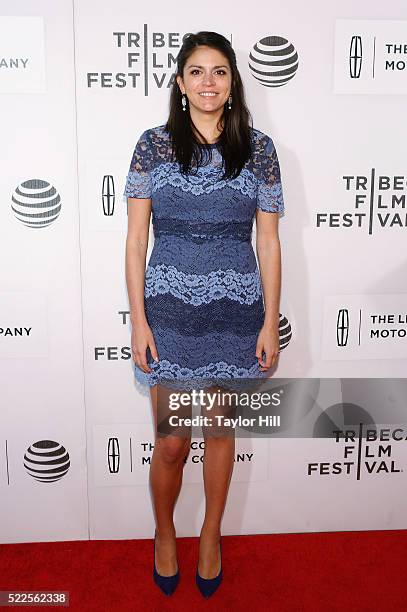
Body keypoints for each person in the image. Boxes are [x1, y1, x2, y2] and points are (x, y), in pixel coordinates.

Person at [123, 31, 285, 598]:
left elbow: (268, 241)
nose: (209, 82)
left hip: (235, 311)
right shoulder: (152, 145)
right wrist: (138, 321)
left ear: (233, 81)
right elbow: (136, 238)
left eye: (219, 71)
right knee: (171, 441)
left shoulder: (259, 149)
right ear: (180, 81)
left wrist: (270, 321)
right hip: (166, 310)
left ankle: (211, 534)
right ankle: (165, 531)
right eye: (197, 71)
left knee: (219, 430)